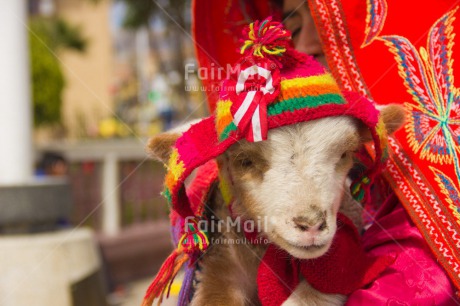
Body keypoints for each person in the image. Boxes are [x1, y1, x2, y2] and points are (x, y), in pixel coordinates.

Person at [193, 0, 459, 303]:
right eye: (293, 27)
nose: (306, 44)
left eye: (331, 22)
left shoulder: (426, 179)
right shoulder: (225, 180)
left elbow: (418, 280)